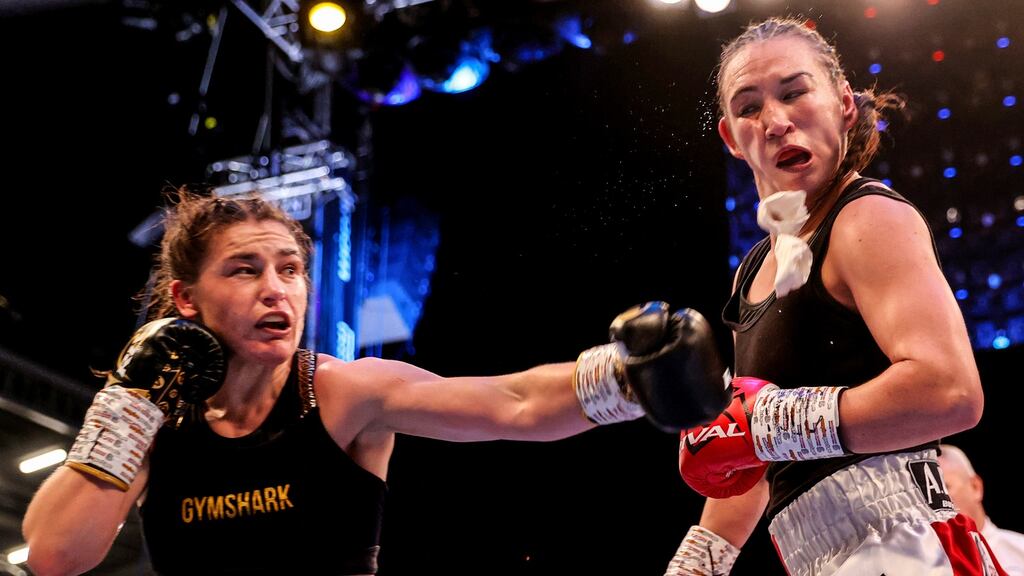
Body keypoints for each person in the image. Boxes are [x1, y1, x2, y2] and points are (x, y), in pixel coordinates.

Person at [21, 187, 730, 576]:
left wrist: (630, 378)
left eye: (290, 269)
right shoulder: (157, 421)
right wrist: (126, 403)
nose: (278, 291)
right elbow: (56, 554)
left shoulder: (339, 393)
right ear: (184, 298)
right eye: (245, 269)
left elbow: (511, 402)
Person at [663, 16, 1004, 576]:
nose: (774, 121)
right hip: (818, 558)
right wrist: (696, 565)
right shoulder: (749, 273)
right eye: (748, 107)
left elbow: (951, 391)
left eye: (795, 92)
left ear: (844, 104)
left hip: (911, 543)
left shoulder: (867, 216)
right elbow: (754, 452)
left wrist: (773, 423)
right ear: (730, 137)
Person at [939, 444, 1024, 575]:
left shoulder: (1020, 549)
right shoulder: (923, 563)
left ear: (975, 487)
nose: (934, 504)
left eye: (944, 489)